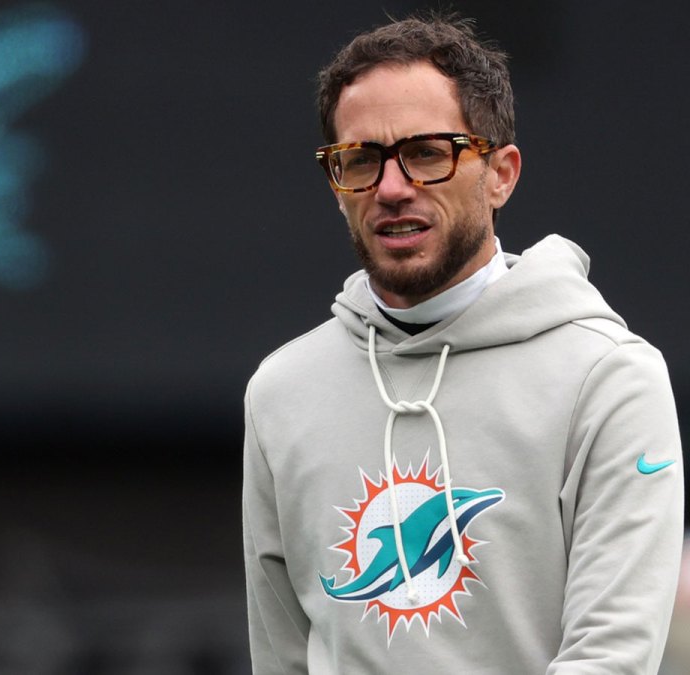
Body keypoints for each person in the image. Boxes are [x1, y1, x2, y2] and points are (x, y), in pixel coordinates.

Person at [242, 12, 684, 674]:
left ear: (502, 173)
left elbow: (610, 658)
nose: (391, 188)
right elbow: (281, 658)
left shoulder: (609, 378)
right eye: (360, 160)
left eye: (427, 152)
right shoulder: (281, 393)